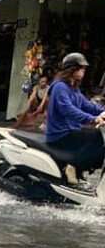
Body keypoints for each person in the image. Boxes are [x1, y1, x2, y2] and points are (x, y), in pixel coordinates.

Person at [46, 53, 105, 185]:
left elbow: (87, 105)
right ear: (72, 69)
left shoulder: (74, 88)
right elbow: (68, 110)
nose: (83, 72)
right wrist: (93, 119)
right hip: (60, 134)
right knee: (95, 136)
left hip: (71, 131)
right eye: (81, 68)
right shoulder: (60, 87)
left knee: (98, 145)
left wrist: (102, 111)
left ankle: (76, 171)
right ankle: (72, 166)